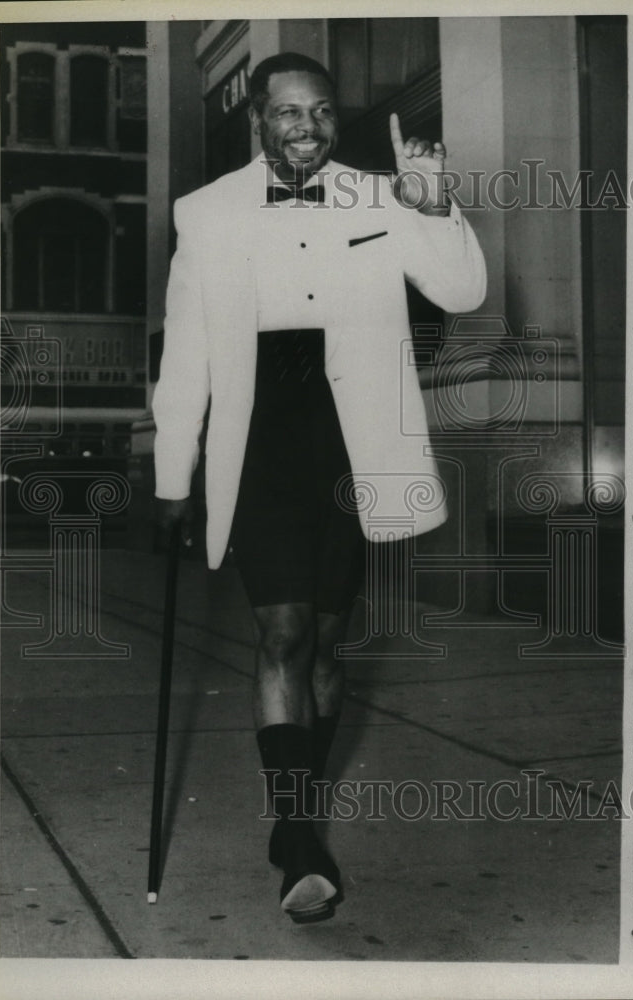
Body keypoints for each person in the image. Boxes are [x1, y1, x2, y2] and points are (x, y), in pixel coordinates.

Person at [153, 51, 486, 923]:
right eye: (288, 112)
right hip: (258, 437)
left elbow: (461, 288)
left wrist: (431, 205)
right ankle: (298, 835)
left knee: (329, 645)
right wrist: (170, 472)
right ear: (258, 119)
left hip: (351, 440)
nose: (307, 126)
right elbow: (185, 353)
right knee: (283, 634)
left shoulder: (380, 197)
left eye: (322, 112)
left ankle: (297, 815)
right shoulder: (207, 212)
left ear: (336, 120)